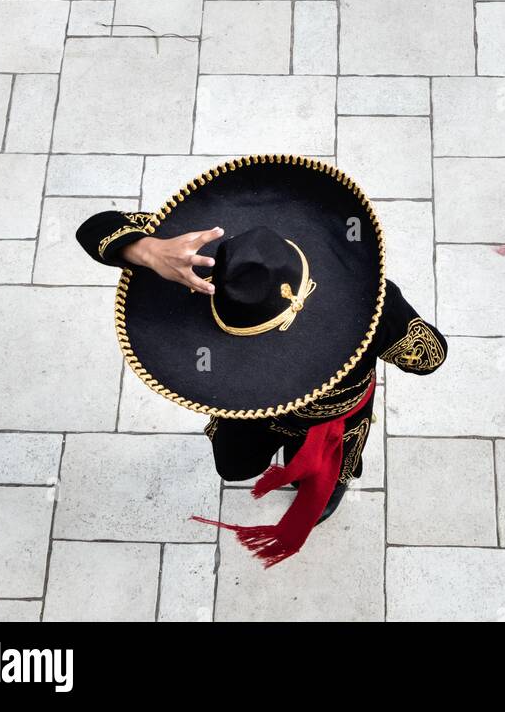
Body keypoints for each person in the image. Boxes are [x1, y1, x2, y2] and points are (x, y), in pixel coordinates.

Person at [75, 154, 447, 566]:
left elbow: (426, 354)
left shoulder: (371, 303)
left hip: (331, 419)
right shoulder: (201, 256)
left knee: (325, 469)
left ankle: (320, 484)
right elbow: (94, 228)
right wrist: (147, 250)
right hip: (250, 407)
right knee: (235, 466)